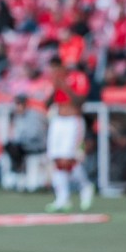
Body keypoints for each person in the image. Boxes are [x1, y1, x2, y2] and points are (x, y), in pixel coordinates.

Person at [45, 57, 95, 212]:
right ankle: (62, 198)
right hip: (58, 120)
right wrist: (55, 87)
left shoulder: (78, 78)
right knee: (57, 160)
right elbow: (48, 103)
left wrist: (65, 87)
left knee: (68, 159)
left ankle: (85, 186)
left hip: (72, 121)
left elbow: (80, 101)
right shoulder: (56, 80)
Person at [4, 94, 47, 173]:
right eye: (16, 104)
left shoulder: (33, 116)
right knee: (8, 146)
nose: (17, 107)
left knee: (14, 148)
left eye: (19, 104)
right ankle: (17, 168)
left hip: (36, 144)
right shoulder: (17, 116)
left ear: (24, 104)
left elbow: (35, 134)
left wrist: (20, 141)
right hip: (23, 144)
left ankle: (18, 168)